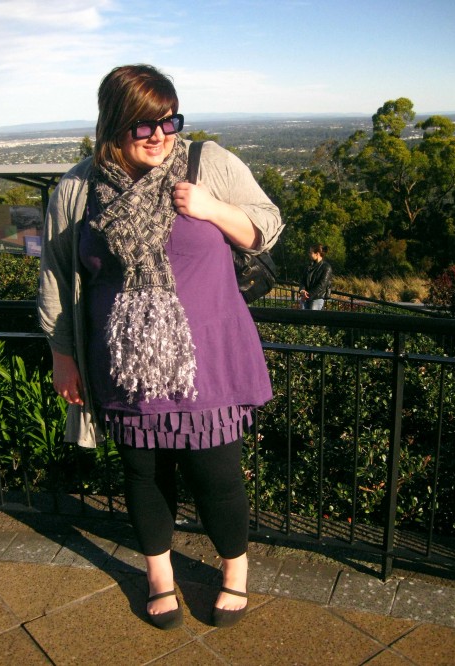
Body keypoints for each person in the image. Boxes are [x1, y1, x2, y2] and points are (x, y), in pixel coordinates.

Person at [38, 64, 283, 630]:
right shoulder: (78, 188)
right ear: (114, 126)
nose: (160, 135)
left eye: (170, 120)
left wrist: (210, 208)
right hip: (123, 367)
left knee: (217, 474)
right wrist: (63, 354)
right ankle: (160, 578)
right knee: (144, 476)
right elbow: (56, 275)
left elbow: (265, 226)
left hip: (209, 365)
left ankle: (235, 573)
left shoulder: (207, 163)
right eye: (143, 124)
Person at [299, 243, 333, 310]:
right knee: (302, 317)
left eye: (310, 252)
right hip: (306, 297)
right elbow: (303, 280)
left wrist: (308, 295)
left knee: (312, 318)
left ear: (317, 254)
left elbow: (321, 285)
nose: (309, 254)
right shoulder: (309, 266)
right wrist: (302, 290)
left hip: (317, 298)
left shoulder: (326, 267)